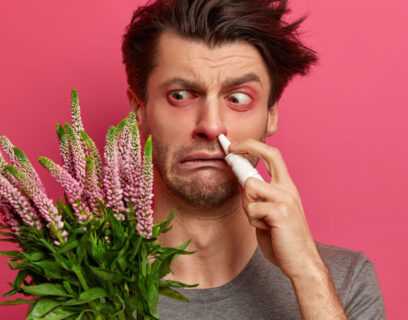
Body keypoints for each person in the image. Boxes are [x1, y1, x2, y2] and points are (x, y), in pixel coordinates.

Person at [122, 0, 386, 319]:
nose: (211, 125)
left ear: (270, 115)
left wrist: (308, 274)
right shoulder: (74, 281)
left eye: (238, 99)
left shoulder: (345, 283)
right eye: (180, 95)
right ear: (139, 110)